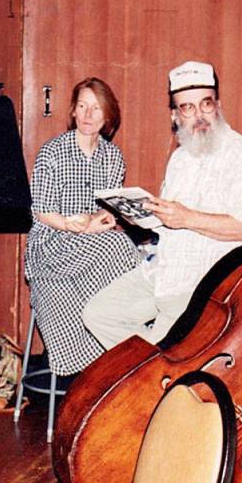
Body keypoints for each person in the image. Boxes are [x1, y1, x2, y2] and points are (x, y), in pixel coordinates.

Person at [83, 60, 242, 349]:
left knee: (156, 355)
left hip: (208, 285)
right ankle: (159, 366)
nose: (199, 115)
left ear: (218, 105)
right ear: (175, 115)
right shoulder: (180, 158)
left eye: (205, 104)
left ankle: (162, 366)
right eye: (187, 108)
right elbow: (170, 220)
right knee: (99, 315)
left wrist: (186, 218)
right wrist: (131, 217)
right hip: (164, 272)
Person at [24, 77, 141, 379]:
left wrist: (102, 218)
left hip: (91, 243)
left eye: (96, 108)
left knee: (129, 249)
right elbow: (41, 211)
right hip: (52, 243)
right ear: (73, 111)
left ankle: (114, 344)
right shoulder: (52, 152)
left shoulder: (113, 157)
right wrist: (72, 224)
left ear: (108, 116)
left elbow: (107, 208)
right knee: (119, 246)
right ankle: (121, 343)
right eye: (82, 106)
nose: (88, 115)